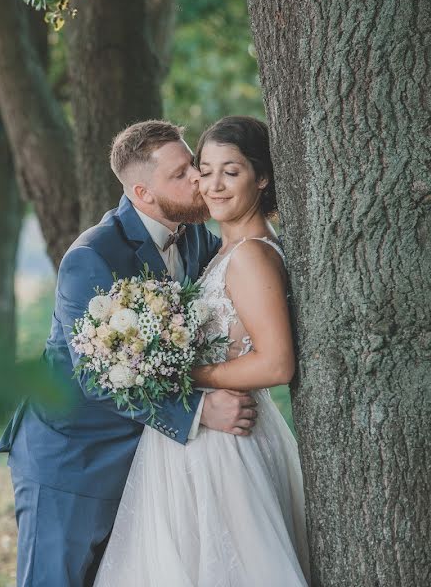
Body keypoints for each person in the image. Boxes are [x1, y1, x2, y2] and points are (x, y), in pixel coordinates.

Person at [0, 120, 260, 586]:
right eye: (180, 175)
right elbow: (95, 379)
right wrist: (198, 410)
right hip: (71, 461)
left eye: (192, 166)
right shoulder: (91, 258)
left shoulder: (195, 234)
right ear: (142, 192)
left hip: (146, 464)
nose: (197, 179)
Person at [93, 116, 311, 586]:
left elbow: (276, 362)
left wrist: (193, 375)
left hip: (228, 441)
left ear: (263, 177)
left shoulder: (251, 255)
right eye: (203, 168)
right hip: (199, 442)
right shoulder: (216, 250)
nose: (209, 184)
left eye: (230, 172)